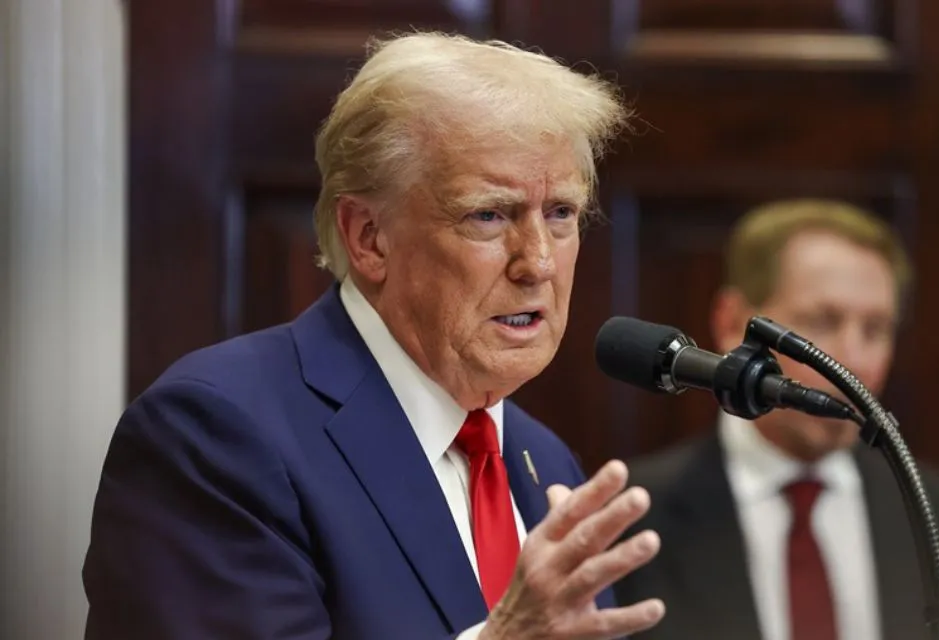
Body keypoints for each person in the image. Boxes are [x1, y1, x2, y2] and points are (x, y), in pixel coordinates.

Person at [82, 32, 666, 639]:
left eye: (561, 214)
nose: (538, 262)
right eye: (489, 214)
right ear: (368, 238)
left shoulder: (542, 459)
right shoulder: (215, 436)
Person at [614, 199, 939, 640]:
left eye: (875, 329)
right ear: (732, 324)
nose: (853, 360)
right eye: (821, 322)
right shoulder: (631, 518)